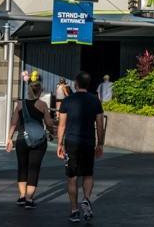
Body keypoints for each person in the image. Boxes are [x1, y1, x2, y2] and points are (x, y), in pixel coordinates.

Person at [56, 71, 104, 224]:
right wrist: (100, 144)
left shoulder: (67, 101)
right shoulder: (95, 101)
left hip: (71, 141)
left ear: (76, 84)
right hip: (88, 141)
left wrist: (59, 144)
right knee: (88, 174)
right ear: (88, 84)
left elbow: (62, 124)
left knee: (72, 177)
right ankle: (87, 199)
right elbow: (100, 125)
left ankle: (74, 210)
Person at [6, 80, 55, 209]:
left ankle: (22, 196)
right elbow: (49, 123)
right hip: (38, 141)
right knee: (34, 168)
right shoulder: (43, 105)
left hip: (22, 139)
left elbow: (13, 122)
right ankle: (29, 199)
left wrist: (9, 138)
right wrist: (52, 132)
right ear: (40, 91)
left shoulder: (20, 105)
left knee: (22, 167)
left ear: (28, 91)